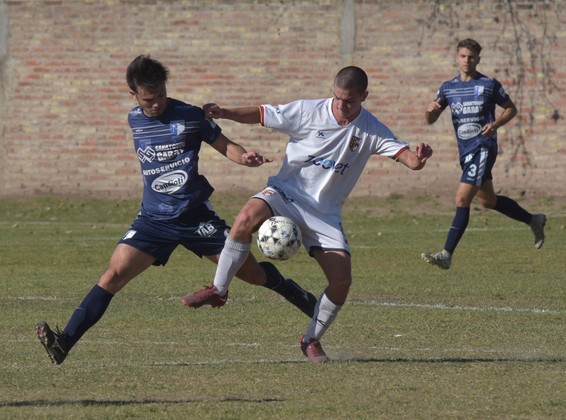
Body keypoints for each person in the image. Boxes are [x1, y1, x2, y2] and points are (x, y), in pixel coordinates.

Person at [35, 55, 317, 365]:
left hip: (195, 217)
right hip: (153, 220)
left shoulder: (191, 116)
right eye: (148, 99)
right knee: (112, 276)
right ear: (133, 95)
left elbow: (225, 145)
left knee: (252, 274)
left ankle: (293, 292)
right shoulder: (134, 119)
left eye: (161, 95)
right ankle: (64, 343)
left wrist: (244, 158)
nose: (156, 103)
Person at [181, 66, 433, 363]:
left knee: (342, 281)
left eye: (350, 101)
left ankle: (311, 339)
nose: (341, 105)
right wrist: (225, 112)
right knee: (244, 220)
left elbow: (409, 160)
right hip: (285, 194)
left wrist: (419, 158)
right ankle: (219, 290)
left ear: (364, 96)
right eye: (337, 97)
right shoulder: (308, 111)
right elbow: (262, 114)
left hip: (324, 214)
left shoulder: (371, 129)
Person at [421, 38, 546, 270]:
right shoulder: (448, 88)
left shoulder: (489, 85)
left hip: (484, 148)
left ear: (478, 59)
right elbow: (431, 119)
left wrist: (496, 124)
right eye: (463, 56)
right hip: (465, 151)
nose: (467, 60)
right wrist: (429, 111)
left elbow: (511, 109)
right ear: (457, 58)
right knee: (488, 201)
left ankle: (446, 254)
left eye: (471, 57)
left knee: (462, 199)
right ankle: (534, 220)